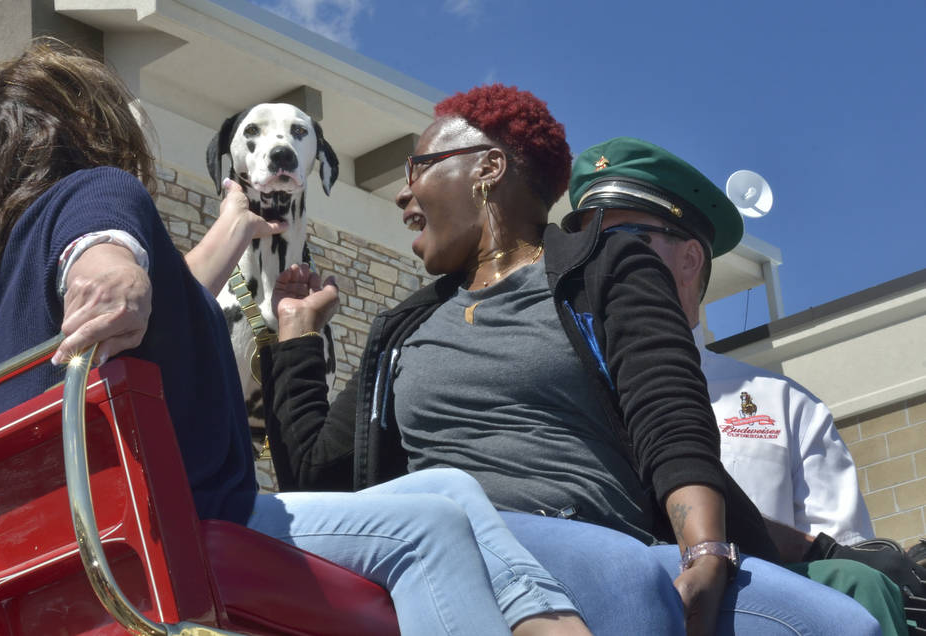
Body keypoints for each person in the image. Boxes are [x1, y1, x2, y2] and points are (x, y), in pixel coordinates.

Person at [0, 40, 590, 636]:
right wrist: (110, 275)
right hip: (192, 519)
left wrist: (234, 227)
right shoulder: (97, 191)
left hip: (89, 543)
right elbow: (103, 241)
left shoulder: (9, 283)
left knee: (449, 487)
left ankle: (546, 621)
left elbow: (171, 295)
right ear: (92, 129)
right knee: (432, 530)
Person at [264, 83, 881, 635]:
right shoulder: (403, 328)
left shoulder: (605, 269)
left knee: (846, 624)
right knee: (477, 512)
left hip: (607, 539)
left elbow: (667, 413)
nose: (403, 193)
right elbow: (316, 480)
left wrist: (705, 550)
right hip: (459, 552)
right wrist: (295, 339)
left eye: (418, 167)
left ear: (488, 167)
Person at [565, 136, 924, 636]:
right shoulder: (561, 391)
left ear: (690, 260)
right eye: (586, 242)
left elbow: (847, 577)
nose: (593, 261)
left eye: (623, 239)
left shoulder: (784, 405)